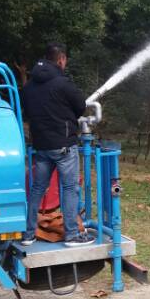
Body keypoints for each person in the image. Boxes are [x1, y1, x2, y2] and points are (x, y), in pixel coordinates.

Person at [21, 41, 94, 247]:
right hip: (63, 146)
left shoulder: (29, 86)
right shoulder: (63, 83)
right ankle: (72, 235)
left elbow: (27, 111)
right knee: (70, 188)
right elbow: (80, 106)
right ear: (61, 59)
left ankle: (28, 234)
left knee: (37, 189)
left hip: (41, 146)